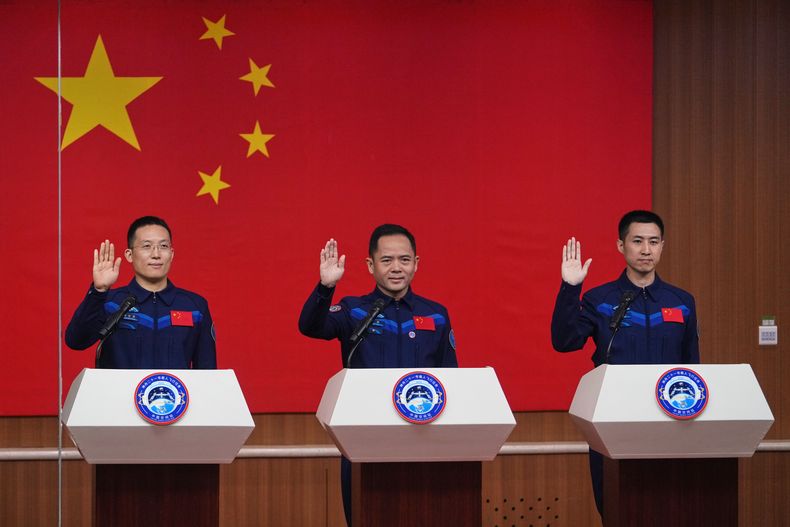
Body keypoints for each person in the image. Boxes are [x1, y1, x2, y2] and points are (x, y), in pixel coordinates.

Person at [298, 223, 457, 526]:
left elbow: (451, 379)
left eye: (404, 259)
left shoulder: (436, 314)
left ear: (416, 263)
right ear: (371, 265)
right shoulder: (354, 310)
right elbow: (310, 327)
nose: (396, 268)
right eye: (387, 260)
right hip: (363, 438)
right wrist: (325, 287)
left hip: (423, 439)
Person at [551, 210, 699, 517]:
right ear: (621, 246)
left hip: (669, 421)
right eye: (637, 241)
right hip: (612, 419)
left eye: (653, 242)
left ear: (662, 246)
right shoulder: (600, 299)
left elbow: (692, 367)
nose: (646, 250)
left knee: (669, 510)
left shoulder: (681, 302)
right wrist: (570, 288)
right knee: (618, 509)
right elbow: (565, 342)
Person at [65, 216, 216, 369]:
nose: (156, 254)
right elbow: (76, 341)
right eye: (146, 246)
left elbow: (208, 371)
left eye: (163, 246)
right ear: (129, 255)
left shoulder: (195, 307)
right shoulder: (111, 303)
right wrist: (99, 291)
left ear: (171, 254)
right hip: (119, 387)